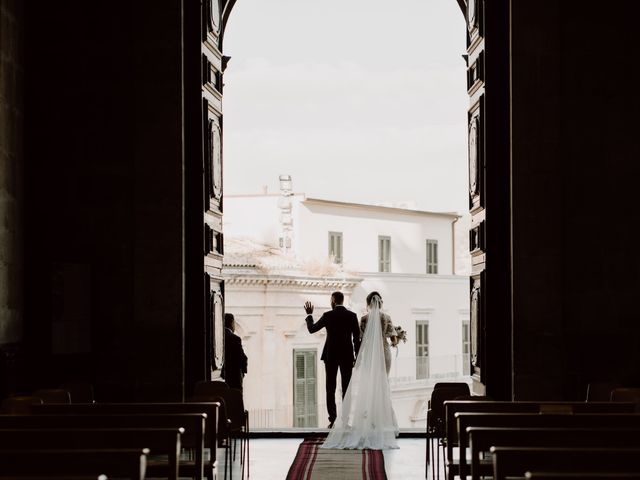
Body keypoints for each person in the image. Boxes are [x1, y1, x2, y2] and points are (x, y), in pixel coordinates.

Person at [320, 291, 399, 450]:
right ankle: (384, 421)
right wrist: (398, 338)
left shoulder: (364, 319)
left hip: (370, 354)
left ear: (368, 303)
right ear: (380, 303)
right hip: (384, 355)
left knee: (368, 386)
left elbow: (359, 338)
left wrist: (359, 356)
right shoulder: (386, 318)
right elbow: (393, 338)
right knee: (383, 385)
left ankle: (365, 420)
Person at [304, 291, 361, 428]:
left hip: (331, 356)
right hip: (347, 356)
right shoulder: (352, 316)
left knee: (330, 388)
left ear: (333, 301)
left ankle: (333, 420)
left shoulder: (328, 315)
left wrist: (309, 315)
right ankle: (345, 420)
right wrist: (356, 356)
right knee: (347, 388)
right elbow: (356, 339)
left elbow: (312, 329)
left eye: (331, 300)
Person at [221, 313, 248, 391]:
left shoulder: (217, 337)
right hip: (233, 377)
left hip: (221, 377)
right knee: (235, 398)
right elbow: (242, 358)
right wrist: (242, 372)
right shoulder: (235, 338)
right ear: (232, 323)